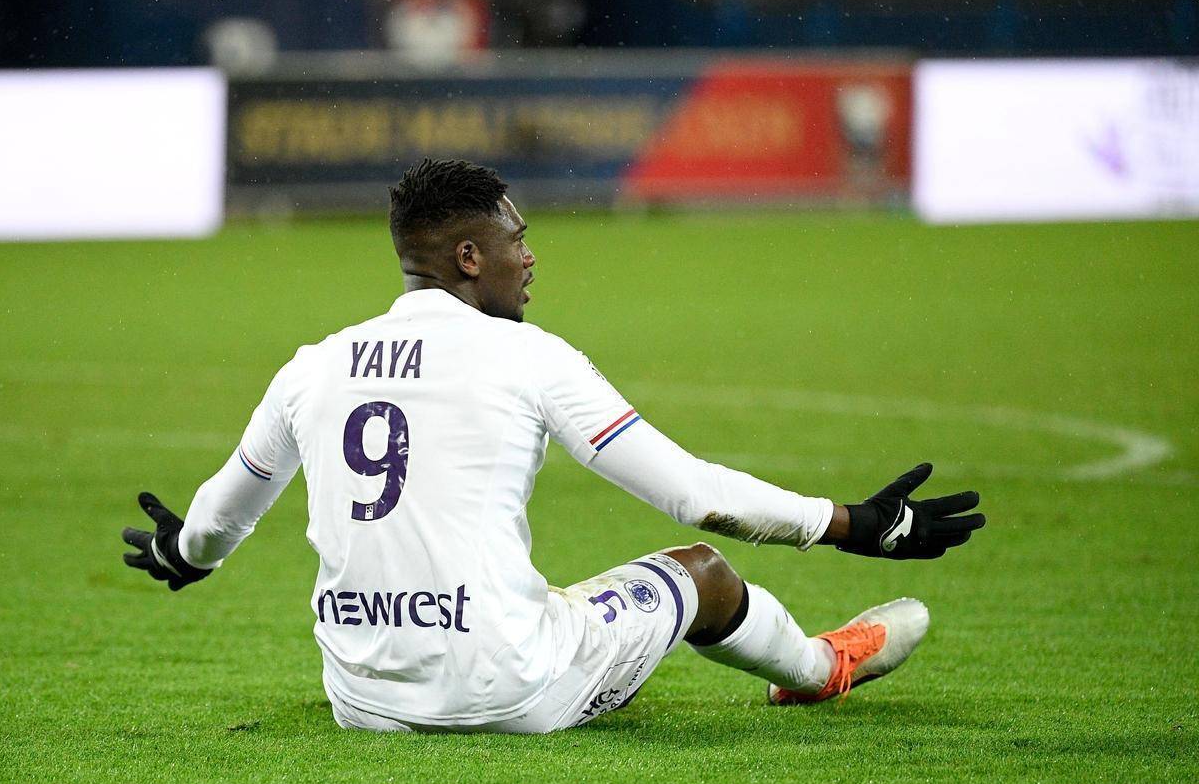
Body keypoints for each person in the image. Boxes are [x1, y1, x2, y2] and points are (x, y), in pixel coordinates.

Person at [119, 159, 986, 733]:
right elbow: (694, 495)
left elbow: (216, 521)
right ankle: (819, 667)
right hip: (508, 690)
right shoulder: (530, 356)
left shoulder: (311, 366)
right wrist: (854, 523)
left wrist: (180, 552)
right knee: (703, 573)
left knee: (537, 592)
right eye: (518, 238)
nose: (530, 258)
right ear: (469, 256)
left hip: (363, 701)